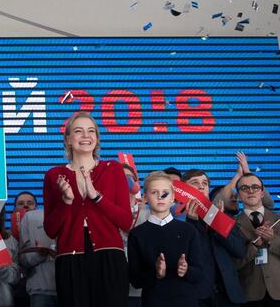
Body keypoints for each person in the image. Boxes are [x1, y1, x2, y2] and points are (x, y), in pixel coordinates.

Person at [43, 111, 131, 307]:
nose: (86, 136)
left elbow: (126, 222)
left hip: (110, 257)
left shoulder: (113, 169)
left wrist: (96, 196)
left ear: (97, 138)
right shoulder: (53, 175)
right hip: (70, 259)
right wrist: (66, 201)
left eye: (91, 131)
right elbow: (50, 229)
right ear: (68, 139)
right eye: (79, 131)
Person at [127, 171, 203, 307]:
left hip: (186, 301)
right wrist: (156, 273)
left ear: (173, 197)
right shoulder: (136, 234)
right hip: (153, 301)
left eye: (165, 192)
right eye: (154, 192)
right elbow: (135, 280)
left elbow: (199, 273)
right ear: (145, 197)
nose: (160, 196)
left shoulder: (189, 230)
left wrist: (186, 270)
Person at [234, 172, 280, 306]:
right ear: (238, 195)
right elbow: (230, 264)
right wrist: (253, 247)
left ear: (262, 192)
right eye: (244, 188)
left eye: (255, 187)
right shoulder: (231, 224)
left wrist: (273, 240)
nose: (250, 191)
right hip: (249, 293)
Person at [182, 169, 246, 307]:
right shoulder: (177, 219)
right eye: (195, 183)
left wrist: (218, 224)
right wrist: (192, 222)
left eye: (205, 183)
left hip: (228, 294)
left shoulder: (223, 215)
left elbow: (239, 251)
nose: (201, 186)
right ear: (183, 189)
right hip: (197, 295)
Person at [18, 196, 58, 307]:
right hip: (40, 291)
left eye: (29, 202)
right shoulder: (30, 218)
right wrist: (39, 254)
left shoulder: (76, 214)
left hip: (71, 288)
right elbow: (23, 259)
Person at [121, 163, 148, 307]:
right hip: (113, 290)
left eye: (129, 178)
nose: (126, 182)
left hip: (141, 292)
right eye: (120, 178)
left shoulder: (150, 215)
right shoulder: (103, 214)